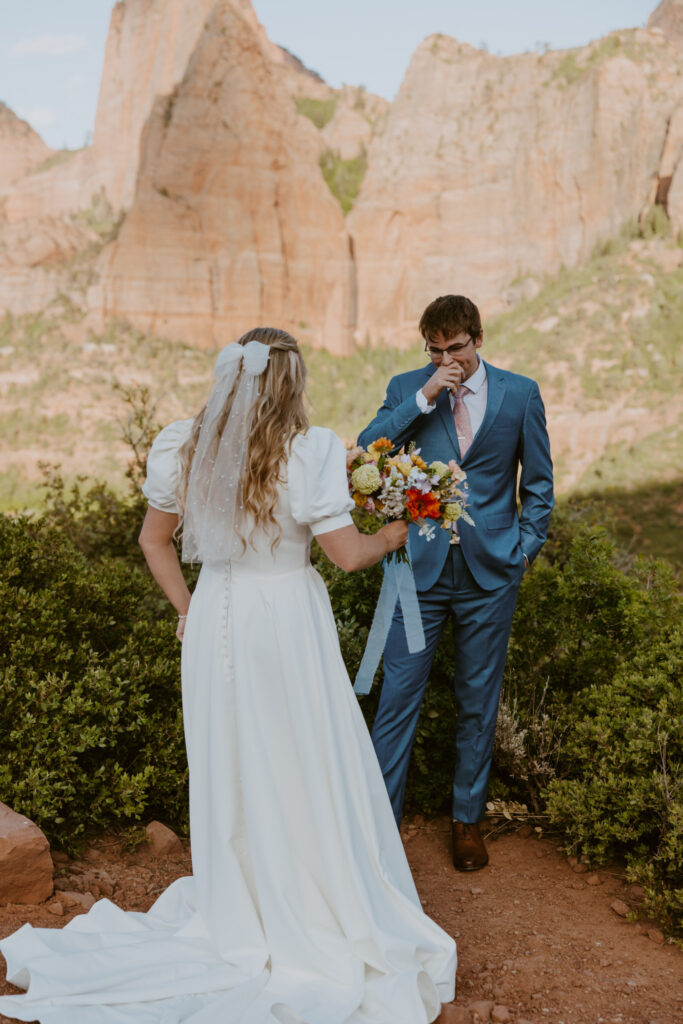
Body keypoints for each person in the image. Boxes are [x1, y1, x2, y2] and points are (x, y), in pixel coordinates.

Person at [0, 327, 456, 1024]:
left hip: (217, 617)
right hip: (284, 620)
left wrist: (187, 609)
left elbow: (154, 541)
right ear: (291, 385)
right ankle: (306, 896)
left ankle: (240, 901)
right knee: (299, 754)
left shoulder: (188, 446)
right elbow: (346, 557)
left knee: (233, 761)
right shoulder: (310, 452)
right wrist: (392, 536)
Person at [358, 295, 554, 872]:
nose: (448, 358)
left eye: (457, 348)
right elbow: (371, 447)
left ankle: (467, 821)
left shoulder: (521, 393)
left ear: (479, 338)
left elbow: (538, 484)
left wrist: (523, 551)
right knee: (398, 697)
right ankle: (378, 824)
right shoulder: (407, 387)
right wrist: (425, 396)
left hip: (491, 574)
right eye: (436, 350)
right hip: (415, 574)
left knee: (477, 699)